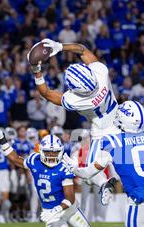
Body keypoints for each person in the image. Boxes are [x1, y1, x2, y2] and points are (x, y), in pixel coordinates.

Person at [0, 122, 113, 227]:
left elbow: (70, 198)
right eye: (48, 152)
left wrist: (56, 209)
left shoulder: (65, 167)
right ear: (41, 151)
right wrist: (2, 140)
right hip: (50, 212)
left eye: (54, 152)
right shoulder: (35, 161)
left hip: (68, 209)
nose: (51, 155)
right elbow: (15, 159)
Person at [28, 39, 118, 205]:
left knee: (88, 174)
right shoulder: (101, 73)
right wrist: (60, 46)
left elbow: (46, 93)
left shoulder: (77, 100)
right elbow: (83, 50)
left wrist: (37, 71)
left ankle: (104, 184)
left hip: (102, 131)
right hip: (120, 119)